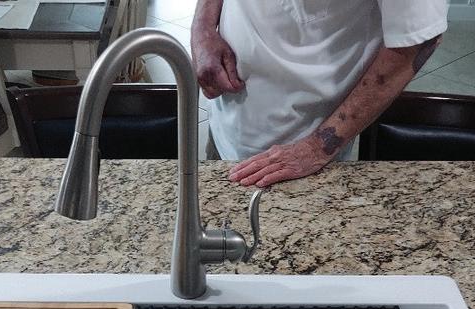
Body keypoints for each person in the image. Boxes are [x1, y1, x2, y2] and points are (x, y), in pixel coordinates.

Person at [191, 0, 448, 187]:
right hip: (225, 124)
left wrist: (315, 149)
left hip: (296, 151)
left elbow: (418, 40)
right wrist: (203, 28)